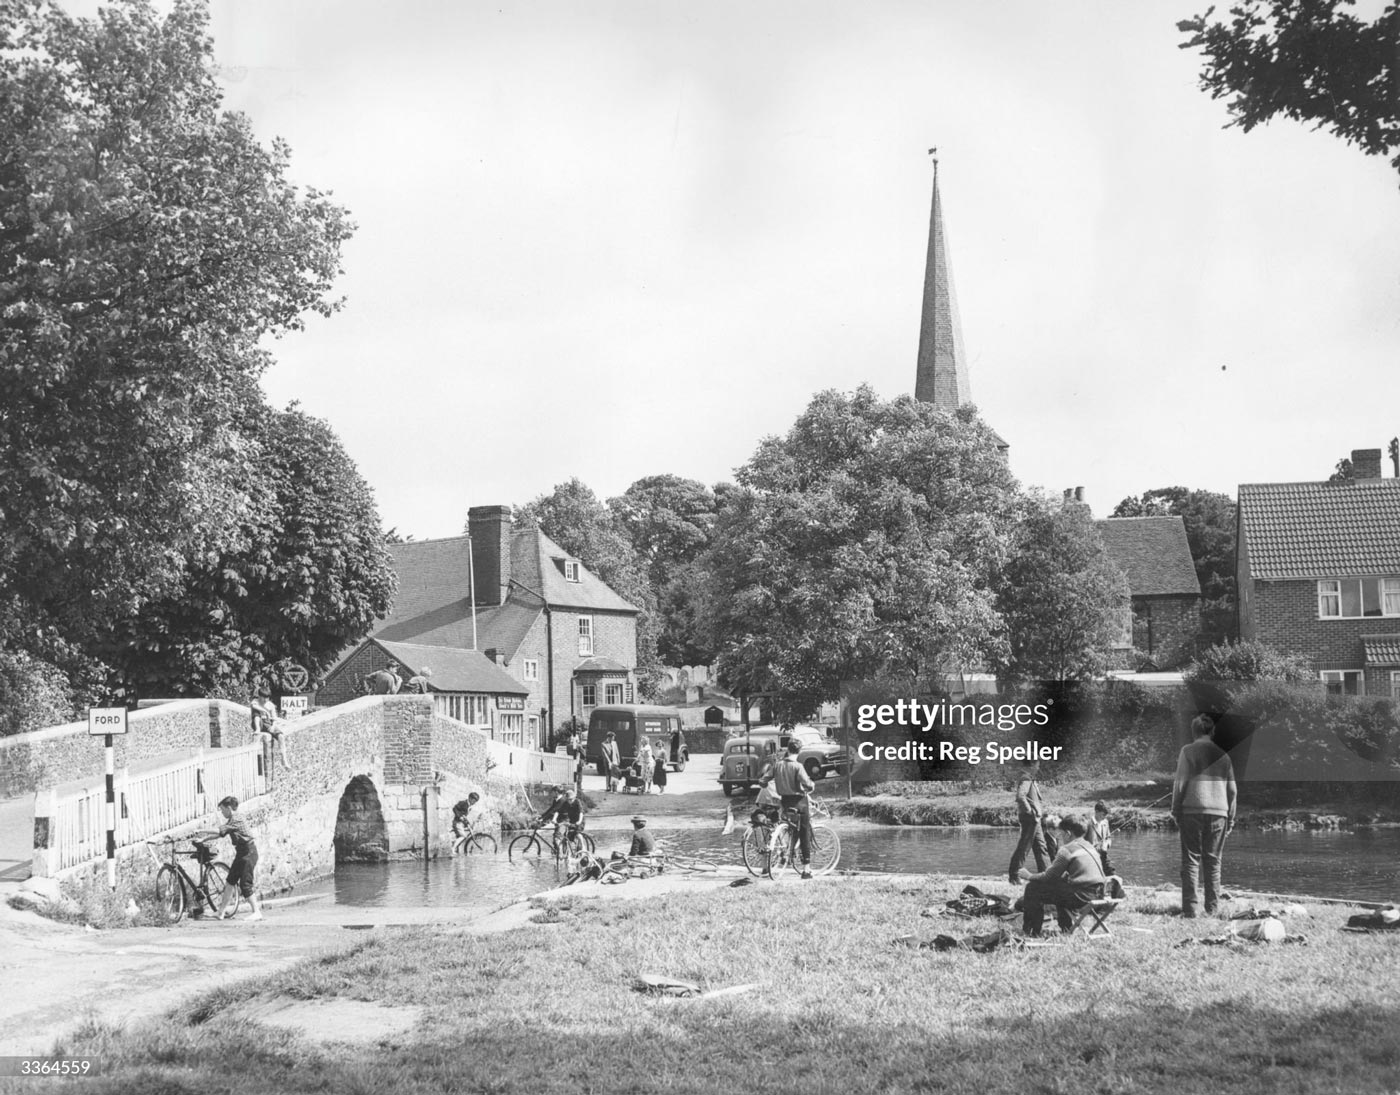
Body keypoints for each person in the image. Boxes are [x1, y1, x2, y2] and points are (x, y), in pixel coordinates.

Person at [1172, 713, 1237, 918]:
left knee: (1191, 860)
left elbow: (1180, 782)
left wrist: (1175, 809)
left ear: (1194, 732)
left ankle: (1190, 910)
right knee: (1213, 861)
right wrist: (1231, 818)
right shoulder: (1224, 755)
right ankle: (1212, 909)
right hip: (1219, 813)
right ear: (1212, 732)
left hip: (1191, 811)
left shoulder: (1187, 751)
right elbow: (1233, 791)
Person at [1018, 814, 1106, 936]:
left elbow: (1048, 877)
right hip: (1099, 894)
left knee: (1032, 888)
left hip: (1081, 896)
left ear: (1068, 833)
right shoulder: (1090, 847)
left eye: (1062, 833)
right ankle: (1066, 928)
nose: (1060, 836)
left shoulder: (1067, 849)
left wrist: (1028, 876)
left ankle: (1031, 931)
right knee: (1061, 888)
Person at [760, 738, 815, 879]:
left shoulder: (778, 765)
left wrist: (765, 785)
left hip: (784, 802)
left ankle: (788, 855)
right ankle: (806, 869)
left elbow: (763, 780)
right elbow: (807, 783)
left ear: (788, 749)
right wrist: (811, 786)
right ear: (799, 751)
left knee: (789, 827)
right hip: (799, 802)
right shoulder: (798, 766)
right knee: (804, 832)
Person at [214, 796, 264, 921]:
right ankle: (221, 912)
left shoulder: (236, 819)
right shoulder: (232, 820)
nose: (222, 812)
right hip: (241, 853)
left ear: (229, 808)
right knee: (230, 881)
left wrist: (201, 831)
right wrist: (203, 839)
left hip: (249, 852)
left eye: (222, 810)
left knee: (245, 884)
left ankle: (256, 912)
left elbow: (219, 830)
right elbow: (221, 833)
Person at [1008, 764, 1049, 884]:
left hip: (1035, 818)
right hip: (1030, 818)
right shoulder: (1026, 778)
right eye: (1036, 765)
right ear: (1030, 765)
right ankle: (1014, 875)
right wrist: (1030, 811)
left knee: (1041, 847)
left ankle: (1047, 876)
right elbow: (1020, 796)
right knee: (1024, 847)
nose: (1038, 768)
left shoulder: (1027, 778)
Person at [1089, 801, 1115, 876]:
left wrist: (1106, 844)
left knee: (1112, 873)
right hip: (1091, 857)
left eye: (1106, 815)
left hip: (1103, 854)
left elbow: (1108, 838)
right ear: (1096, 812)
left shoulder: (1105, 822)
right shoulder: (1088, 823)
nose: (1104, 817)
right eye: (1103, 815)